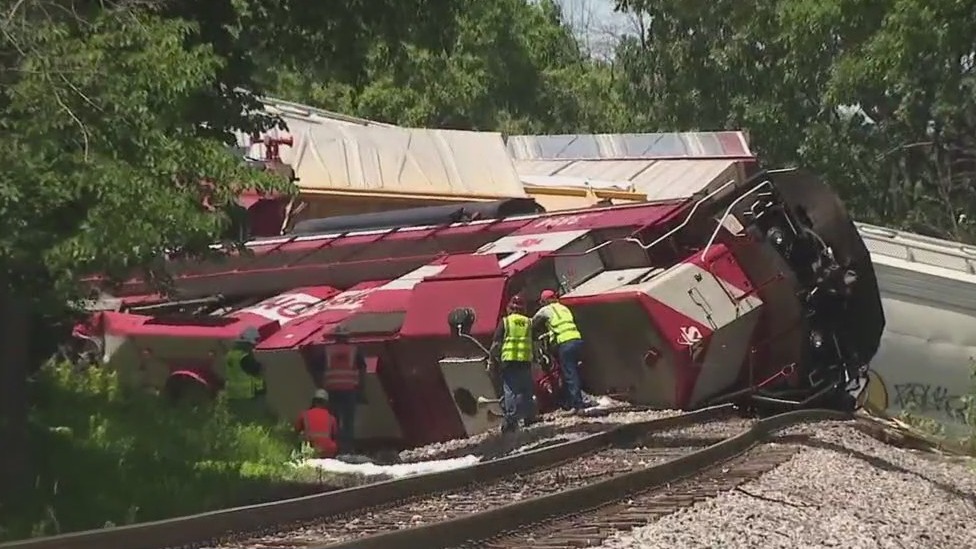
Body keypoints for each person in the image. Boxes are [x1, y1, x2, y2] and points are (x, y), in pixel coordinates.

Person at [532, 289, 589, 413]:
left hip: (564, 343)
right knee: (574, 371)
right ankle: (578, 398)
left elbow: (533, 323)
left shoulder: (546, 309)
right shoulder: (564, 308)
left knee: (569, 374)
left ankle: (577, 404)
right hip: (577, 340)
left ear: (544, 301)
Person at [489, 295, 538, 433]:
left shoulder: (505, 322)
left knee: (510, 391)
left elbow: (496, 343)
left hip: (509, 361)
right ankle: (530, 417)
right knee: (526, 390)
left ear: (510, 307)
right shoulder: (529, 322)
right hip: (525, 360)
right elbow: (534, 342)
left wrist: (492, 359)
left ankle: (511, 420)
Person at [321, 326, 368, 454]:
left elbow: (319, 370)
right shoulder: (354, 350)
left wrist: (322, 388)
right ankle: (347, 449)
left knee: (334, 421)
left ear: (335, 337)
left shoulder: (326, 351)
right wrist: (362, 389)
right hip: (349, 390)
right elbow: (362, 370)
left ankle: (335, 448)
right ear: (347, 337)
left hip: (332, 390)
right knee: (348, 421)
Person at [295, 389, 339, 458]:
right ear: (326, 403)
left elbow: (296, 430)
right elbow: (335, 435)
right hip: (327, 450)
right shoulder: (331, 418)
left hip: (309, 448)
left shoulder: (304, 415)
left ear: (313, 401)